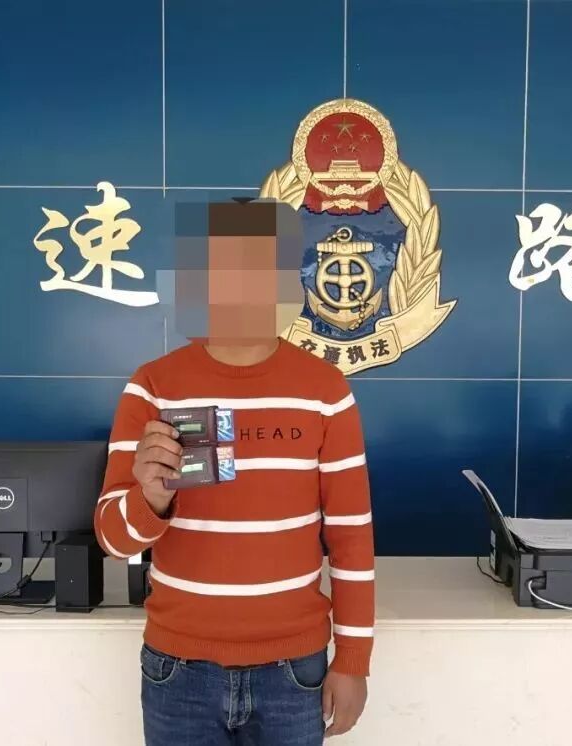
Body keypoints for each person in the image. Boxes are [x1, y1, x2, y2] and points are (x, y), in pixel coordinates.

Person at [93, 199, 374, 745]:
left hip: (295, 671)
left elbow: (352, 538)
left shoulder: (325, 391)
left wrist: (354, 658)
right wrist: (149, 498)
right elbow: (113, 540)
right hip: (178, 669)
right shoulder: (153, 387)